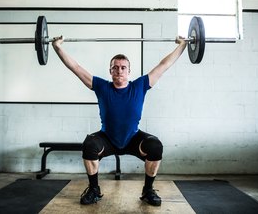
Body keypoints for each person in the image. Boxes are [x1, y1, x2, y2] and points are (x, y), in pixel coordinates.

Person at [52, 36, 187, 206]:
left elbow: (164, 65)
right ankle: (94, 189)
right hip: (107, 139)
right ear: (110, 71)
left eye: (123, 68)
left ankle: (148, 190)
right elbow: (76, 68)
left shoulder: (140, 86)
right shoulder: (102, 86)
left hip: (133, 139)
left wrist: (183, 45)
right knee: (89, 144)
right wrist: (57, 47)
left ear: (129, 71)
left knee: (155, 146)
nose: (119, 71)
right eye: (115, 68)